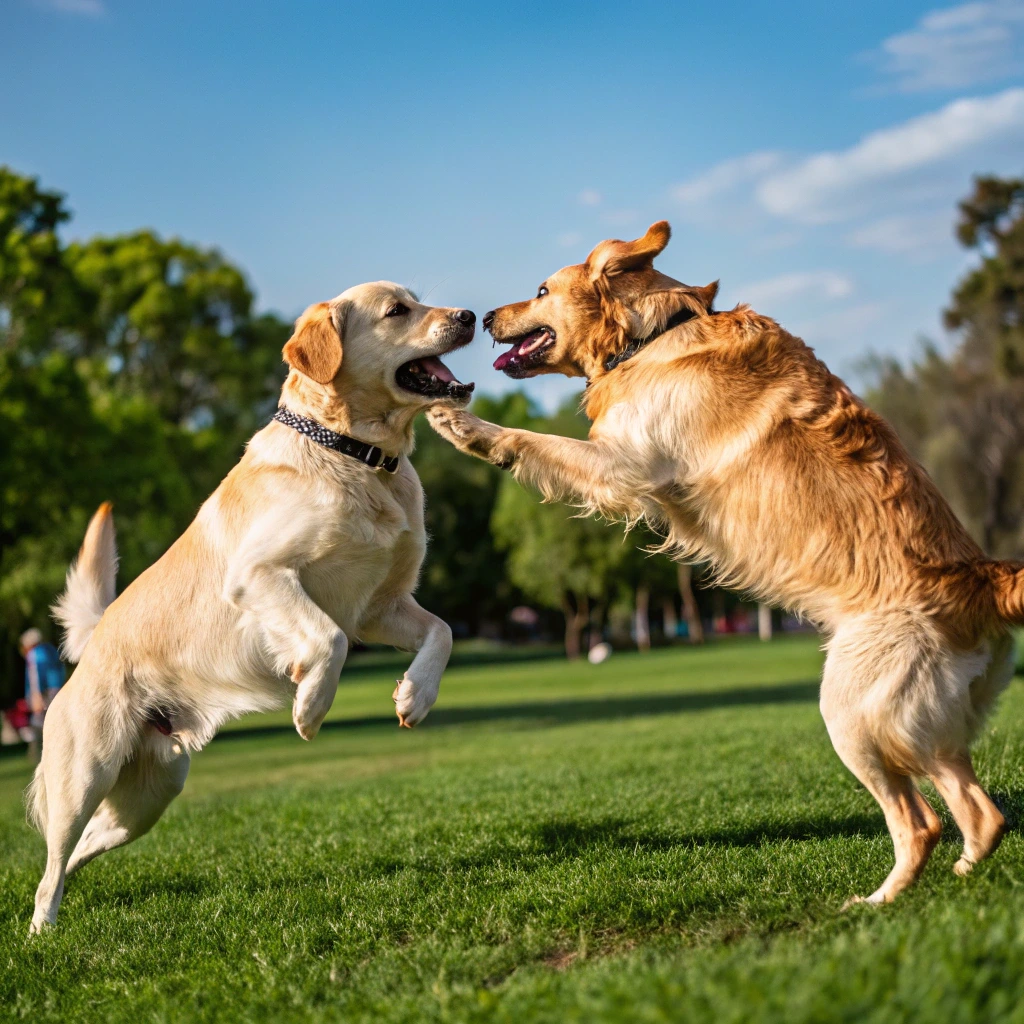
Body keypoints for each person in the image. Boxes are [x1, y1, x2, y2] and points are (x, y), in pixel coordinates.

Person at [19, 628, 65, 761]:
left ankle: (38, 755)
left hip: (44, 693)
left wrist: (36, 696)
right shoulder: (51, 649)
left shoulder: (34, 654)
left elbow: (35, 676)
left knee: (38, 723)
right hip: (57, 689)